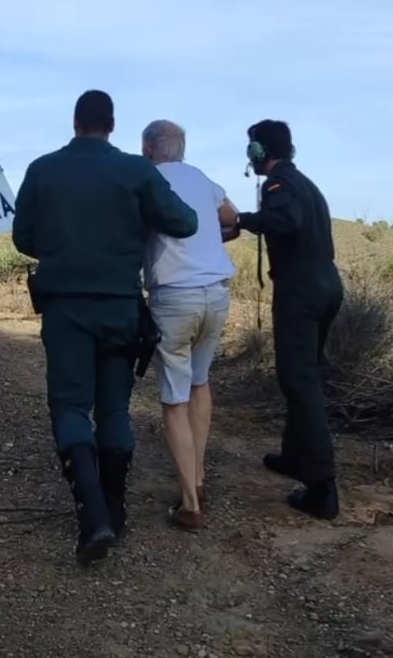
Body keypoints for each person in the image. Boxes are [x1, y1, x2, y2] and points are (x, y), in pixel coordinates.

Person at [12, 90, 199, 563]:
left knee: (71, 405)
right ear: (112, 126)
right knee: (115, 409)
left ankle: (92, 516)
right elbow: (185, 222)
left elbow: (22, 238)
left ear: (76, 122)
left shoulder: (41, 169)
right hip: (121, 307)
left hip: (65, 308)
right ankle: (115, 511)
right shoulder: (137, 171)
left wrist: (63, 249)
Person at [220, 119, 344, 520]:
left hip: (301, 290)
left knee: (299, 381)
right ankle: (294, 456)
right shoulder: (305, 182)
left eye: (251, 148)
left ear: (260, 151)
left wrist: (241, 220)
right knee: (303, 374)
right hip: (325, 284)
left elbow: (285, 220)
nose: (249, 157)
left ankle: (322, 488)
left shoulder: (279, 185)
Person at [138, 119, 240, 532]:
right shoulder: (202, 178)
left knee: (174, 400)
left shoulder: (147, 180)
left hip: (174, 297)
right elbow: (232, 218)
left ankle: (190, 503)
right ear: (182, 148)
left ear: (148, 149)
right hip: (216, 292)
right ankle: (198, 475)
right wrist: (212, 243)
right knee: (201, 383)